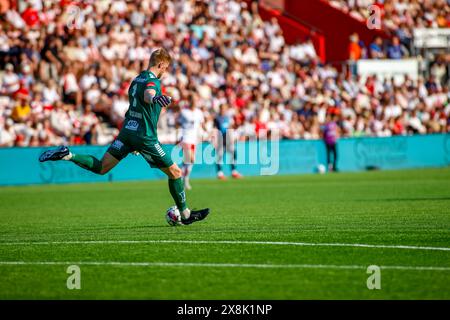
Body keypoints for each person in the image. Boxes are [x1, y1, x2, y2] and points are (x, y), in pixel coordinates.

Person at [39, 48, 209, 225]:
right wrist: (156, 99)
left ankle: (68, 154)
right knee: (176, 172)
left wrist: (132, 140)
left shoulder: (136, 80)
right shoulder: (153, 82)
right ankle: (186, 214)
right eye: (165, 68)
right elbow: (149, 94)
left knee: (102, 167)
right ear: (160, 64)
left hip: (127, 131)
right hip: (144, 136)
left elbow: (133, 107)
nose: (165, 72)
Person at [178, 96, 204, 190]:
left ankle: (184, 179)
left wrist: (205, 134)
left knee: (188, 162)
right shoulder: (184, 112)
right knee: (191, 159)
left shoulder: (199, 112)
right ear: (189, 101)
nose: (194, 102)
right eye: (192, 100)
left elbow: (200, 125)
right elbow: (178, 124)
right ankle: (180, 177)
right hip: (185, 138)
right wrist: (178, 136)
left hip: (194, 139)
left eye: (195, 100)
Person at [214, 104, 242, 180]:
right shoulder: (217, 118)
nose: (223, 110)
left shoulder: (227, 118)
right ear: (219, 109)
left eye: (225, 109)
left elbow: (230, 127)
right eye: (222, 109)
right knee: (220, 156)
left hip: (228, 139)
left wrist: (236, 125)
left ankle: (234, 172)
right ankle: (220, 173)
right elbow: (215, 129)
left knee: (233, 153)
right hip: (220, 139)